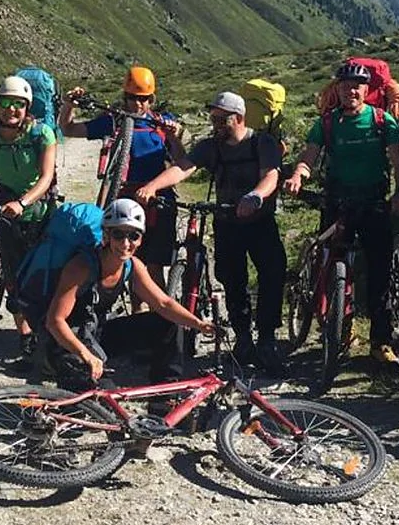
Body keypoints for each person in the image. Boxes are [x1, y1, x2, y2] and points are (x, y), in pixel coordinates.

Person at [135, 91, 286, 376]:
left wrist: (256, 196)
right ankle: (243, 339)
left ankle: (267, 340)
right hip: (227, 221)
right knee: (233, 280)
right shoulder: (211, 146)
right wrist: (153, 186)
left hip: (260, 222)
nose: (214, 123)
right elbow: (183, 168)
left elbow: (271, 174)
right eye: (212, 118)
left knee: (272, 276)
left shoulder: (261, 142)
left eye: (220, 118)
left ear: (238, 118)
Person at [283, 60, 399, 370]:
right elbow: (310, 156)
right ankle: (339, 328)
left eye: (357, 86)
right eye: (344, 86)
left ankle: (381, 342)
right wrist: (299, 175)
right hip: (337, 203)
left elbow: (398, 160)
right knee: (332, 266)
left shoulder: (382, 121)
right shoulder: (326, 123)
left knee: (380, 274)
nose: (351, 90)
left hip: (373, 203)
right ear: (336, 90)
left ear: (367, 91)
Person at [43, 199, 214, 388]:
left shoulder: (132, 266)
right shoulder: (81, 267)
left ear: (140, 239)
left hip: (96, 333)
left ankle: (163, 400)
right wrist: (86, 355)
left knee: (169, 325)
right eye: (118, 234)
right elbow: (55, 321)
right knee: (105, 401)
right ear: (105, 235)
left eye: (133, 235)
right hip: (66, 342)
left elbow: (163, 304)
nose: (126, 244)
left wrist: (198, 324)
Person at [59, 65, 183, 290]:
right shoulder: (113, 121)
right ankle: (137, 315)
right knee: (132, 263)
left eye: (144, 99)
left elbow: (182, 162)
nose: (137, 104)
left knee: (153, 267)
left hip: (159, 201)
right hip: (125, 199)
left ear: (152, 99)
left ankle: (160, 319)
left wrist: (175, 137)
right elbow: (68, 129)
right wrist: (69, 105)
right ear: (124, 97)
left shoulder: (163, 122)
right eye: (132, 98)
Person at [0, 75, 58, 358]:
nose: (11, 110)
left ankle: (49, 330)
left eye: (18, 104)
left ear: (27, 107)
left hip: (38, 211)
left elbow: (46, 178)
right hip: (7, 210)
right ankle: (25, 335)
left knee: (42, 276)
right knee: (12, 275)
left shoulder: (41, 134)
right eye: (5, 103)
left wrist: (23, 202)